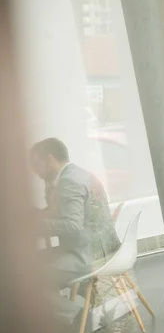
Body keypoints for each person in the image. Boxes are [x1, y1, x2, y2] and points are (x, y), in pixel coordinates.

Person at [30, 138, 120, 323]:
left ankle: (80, 316)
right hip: (97, 248)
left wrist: (34, 227)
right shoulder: (74, 174)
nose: (34, 170)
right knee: (33, 262)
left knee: (26, 276)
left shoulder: (69, 181)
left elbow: (72, 226)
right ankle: (93, 300)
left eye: (35, 163)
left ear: (49, 159)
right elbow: (64, 213)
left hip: (89, 255)